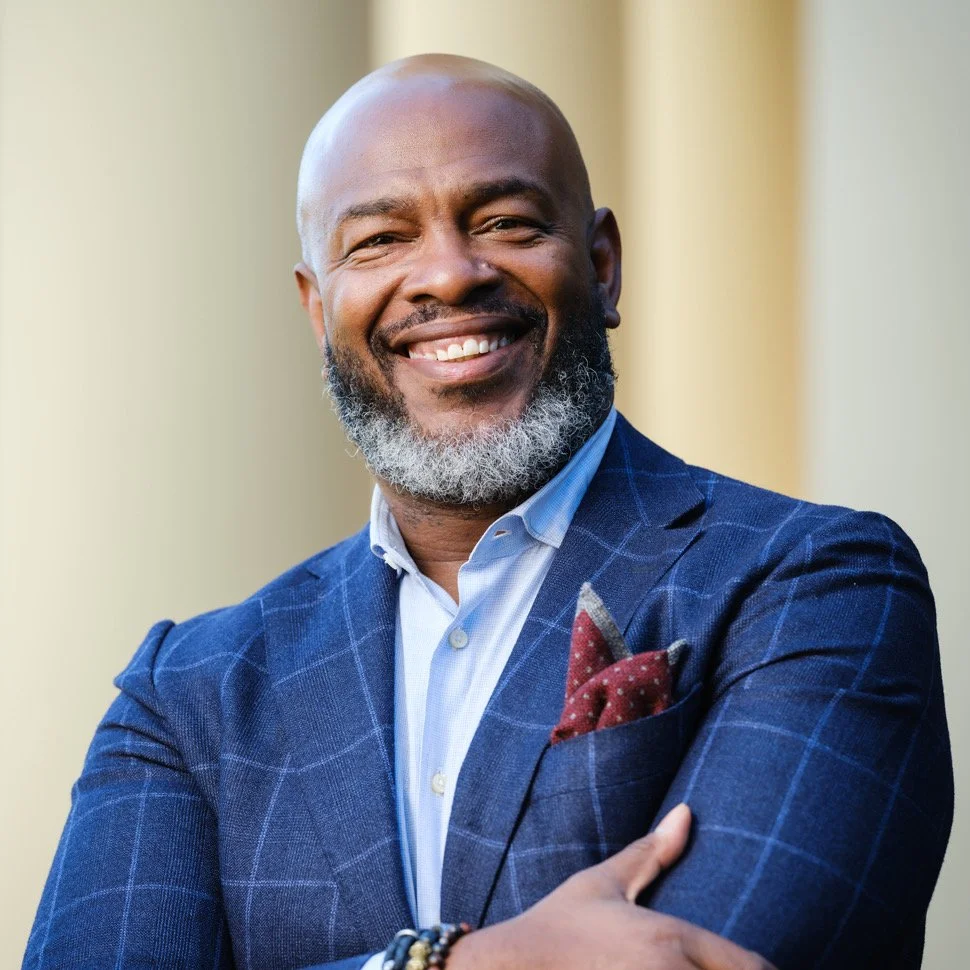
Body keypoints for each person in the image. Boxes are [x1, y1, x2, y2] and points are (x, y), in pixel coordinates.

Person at [24, 54, 952, 970]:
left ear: (602, 266)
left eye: (505, 222)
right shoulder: (187, 698)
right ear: (318, 309)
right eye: (380, 239)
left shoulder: (818, 584)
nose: (449, 275)